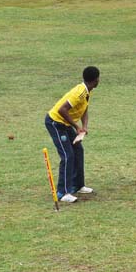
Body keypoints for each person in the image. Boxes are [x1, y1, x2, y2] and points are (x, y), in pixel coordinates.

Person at [44, 66, 100, 204]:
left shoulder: (87, 91)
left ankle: (78, 185)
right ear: (96, 80)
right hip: (55, 123)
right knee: (67, 155)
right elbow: (62, 110)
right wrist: (77, 126)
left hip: (66, 124)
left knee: (78, 150)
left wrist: (84, 127)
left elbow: (84, 108)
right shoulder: (80, 92)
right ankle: (62, 192)